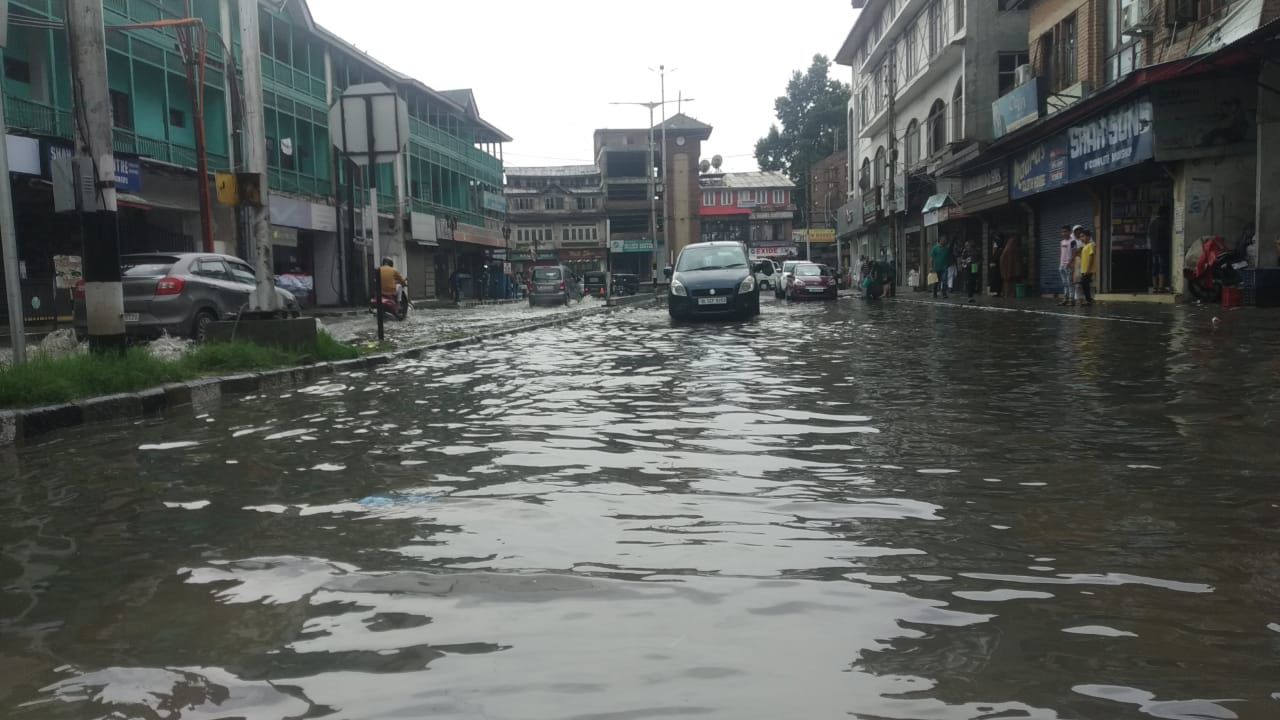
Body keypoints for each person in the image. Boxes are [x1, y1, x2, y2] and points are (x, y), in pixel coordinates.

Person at [1149, 206, 1171, 293]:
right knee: (1162, 267)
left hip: (1154, 248)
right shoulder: (1163, 222)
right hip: (1162, 248)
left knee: (1155, 267)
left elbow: (1150, 235)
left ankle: (1155, 287)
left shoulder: (1153, 223)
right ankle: (1161, 287)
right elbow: (1166, 235)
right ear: (1164, 214)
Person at [1058, 225, 1081, 306]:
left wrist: (1070, 262)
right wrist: (1061, 263)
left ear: (1070, 232)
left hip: (1069, 265)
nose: (1063, 233)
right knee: (1064, 283)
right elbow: (1062, 253)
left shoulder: (1072, 241)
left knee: (1070, 283)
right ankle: (1065, 299)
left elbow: (1074, 253)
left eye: (1065, 231)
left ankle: (1071, 300)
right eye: (1062, 232)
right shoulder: (1062, 242)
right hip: (1062, 265)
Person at [1078, 228, 1098, 306]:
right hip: (1084, 269)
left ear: (1089, 237)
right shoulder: (1084, 246)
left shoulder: (1091, 245)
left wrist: (1088, 269)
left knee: (1085, 284)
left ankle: (1088, 300)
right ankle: (1088, 300)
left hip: (1088, 270)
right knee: (1084, 285)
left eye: (1083, 236)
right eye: (1080, 237)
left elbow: (1091, 257)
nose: (1081, 238)